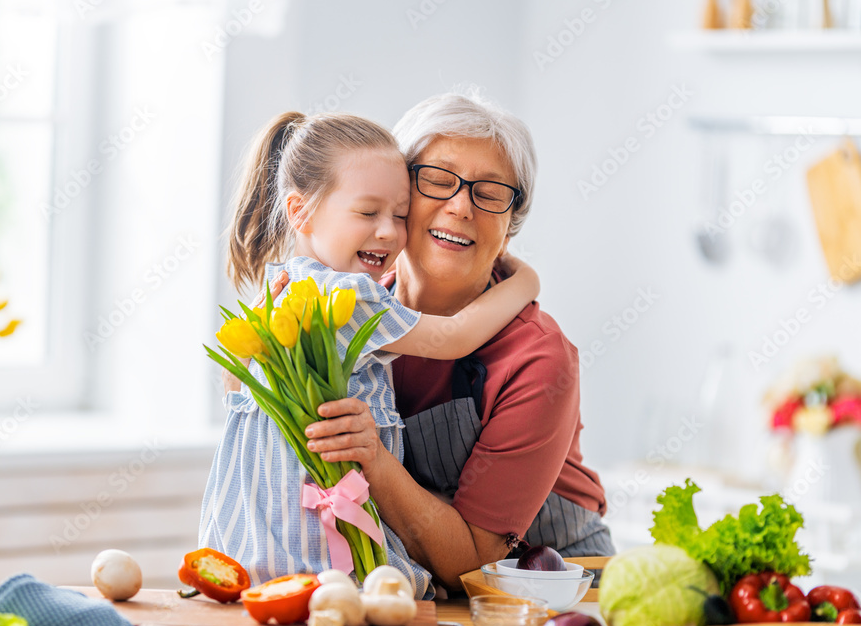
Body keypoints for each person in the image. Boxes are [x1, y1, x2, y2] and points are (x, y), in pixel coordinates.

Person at [198, 110, 540, 599]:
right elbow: (455, 337)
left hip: (254, 537)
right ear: (301, 212)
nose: (388, 232)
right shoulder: (348, 297)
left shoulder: (280, 288)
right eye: (367, 213)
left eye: (399, 215)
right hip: (314, 546)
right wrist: (526, 280)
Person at [300, 92, 614, 591]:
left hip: (549, 592)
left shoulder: (537, 356)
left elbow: (474, 561)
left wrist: (374, 458)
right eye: (438, 180)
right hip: (418, 589)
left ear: (510, 227)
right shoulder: (345, 315)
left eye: (490, 193)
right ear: (401, 197)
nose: (461, 206)